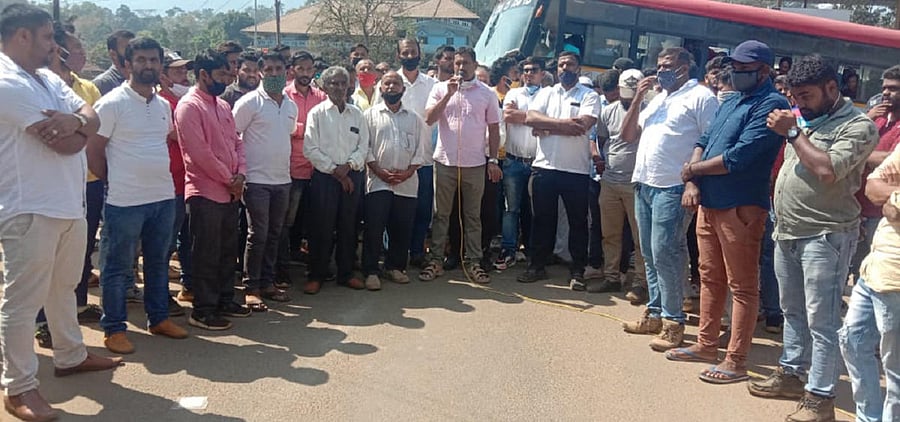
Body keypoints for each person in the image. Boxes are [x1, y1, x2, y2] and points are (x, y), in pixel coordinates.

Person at [0, 5, 122, 420]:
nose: (56, 46)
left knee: (64, 286)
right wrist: (78, 126)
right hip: (28, 206)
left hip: (69, 201)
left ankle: (69, 355)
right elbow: (70, 144)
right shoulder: (5, 81)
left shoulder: (48, 77)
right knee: (22, 299)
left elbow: (94, 114)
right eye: (49, 37)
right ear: (22, 37)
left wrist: (75, 120)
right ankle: (18, 387)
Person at [750, 55, 878, 422]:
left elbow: (826, 170)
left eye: (805, 95)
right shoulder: (805, 118)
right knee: (792, 312)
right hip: (788, 230)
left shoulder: (858, 126)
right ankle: (791, 373)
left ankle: (820, 398)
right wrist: (798, 126)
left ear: (832, 89)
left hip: (826, 236)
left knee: (822, 320)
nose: (798, 103)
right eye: (795, 96)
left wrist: (793, 132)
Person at [663, 40, 789, 384]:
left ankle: (736, 360)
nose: (736, 72)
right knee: (710, 278)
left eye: (744, 68)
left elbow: (738, 158)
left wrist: (693, 171)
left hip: (741, 207)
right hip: (710, 202)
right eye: (734, 66)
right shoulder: (732, 99)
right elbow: (703, 138)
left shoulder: (772, 105)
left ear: (764, 71)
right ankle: (706, 344)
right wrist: (692, 178)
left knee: (743, 286)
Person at [87, 37, 189, 354]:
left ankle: (158, 318)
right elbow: (93, 151)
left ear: (161, 65)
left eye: (154, 60)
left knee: (157, 262)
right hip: (124, 202)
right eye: (141, 60)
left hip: (162, 197)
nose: (148, 65)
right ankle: (113, 328)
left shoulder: (161, 106)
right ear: (128, 64)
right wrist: (116, 179)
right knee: (118, 269)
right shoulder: (112, 103)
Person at [619, 47, 718, 352]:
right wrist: (637, 98)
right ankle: (655, 312)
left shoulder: (701, 97)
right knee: (649, 253)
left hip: (673, 187)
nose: (662, 70)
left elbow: (710, 142)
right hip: (645, 183)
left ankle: (674, 322)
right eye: (659, 65)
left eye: (669, 66)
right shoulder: (658, 99)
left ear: (686, 67)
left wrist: (693, 182)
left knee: (666, 252)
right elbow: (628, 134)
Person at [33, 21, 105, 349]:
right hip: (44, 189)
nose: (82, 54)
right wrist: (81, 127)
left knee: (76, 256)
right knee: (41, 263)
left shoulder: (84, 87)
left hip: (85, 182)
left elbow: (94, 123)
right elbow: (63, 138)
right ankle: (41, 322)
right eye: (76, 49)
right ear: (58, 50)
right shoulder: (32, 85)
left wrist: (77, 125)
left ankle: (76, 307)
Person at [176, 49, 252, 331]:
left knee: (226, 250)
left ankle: (224, 299)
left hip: (231, 191)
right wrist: (229, 178)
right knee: (206, 252)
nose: (226, 78)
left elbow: (238, 143)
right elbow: (199, 154)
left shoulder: (222, 106)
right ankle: (204, 308)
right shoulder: (189, 106)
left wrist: (240, 174)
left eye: (227, 73)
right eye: (220, 74)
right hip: (205, 191)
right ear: (203, 74)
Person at [514, 51, 599, 290]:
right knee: (542, 220)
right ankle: (537, 266)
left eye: (570, 64)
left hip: (576, 171)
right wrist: (564, 126)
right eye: (561, 65)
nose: (565, 68)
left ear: (578, 68)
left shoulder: (589, 95)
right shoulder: (547, 93)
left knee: (578, 223)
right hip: (545, 168)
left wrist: (547, 125)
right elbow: (530, 118)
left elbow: (583, 125)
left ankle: (577, 270)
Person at [421, 46, 502, 284]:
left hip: (475, 163)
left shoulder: (486, 93)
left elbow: (494, 129)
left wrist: (493, 159)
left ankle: (474, 262)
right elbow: (428, 119)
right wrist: (448, 94)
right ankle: (436, 260)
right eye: (457, 63)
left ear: (474, 65)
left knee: (472, 216)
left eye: (465, 63)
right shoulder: (439, 88)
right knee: (441, 215)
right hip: (445, 161)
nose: (460, 67)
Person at [232, 52, 297, 310]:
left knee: (274, 234)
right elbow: (232, 136)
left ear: (286, 72)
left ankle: (268, 283)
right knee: (257, 234)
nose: (273, 73)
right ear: (260, 72)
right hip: (256, 180)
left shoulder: (290, 105)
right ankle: (252, 287)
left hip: (282, 179)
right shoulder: (249, 103)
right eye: (268, 69)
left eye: (278, 69)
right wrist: (240, 172)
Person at [840, 147, 900, 422]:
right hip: (876, 266)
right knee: (852, 340)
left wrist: (893, 199)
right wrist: (895, 197)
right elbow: (873, 186)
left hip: (896, 277)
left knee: (895, 369)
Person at [362, 71, 430, 290]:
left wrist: (408, 172)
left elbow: (420, 150)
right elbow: (365, 147)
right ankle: (371, 270)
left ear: (403, 89)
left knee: (402, 227)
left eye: (396, 83)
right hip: (377, 180)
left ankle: (396, 267)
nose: (391, 87)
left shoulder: (414, 118)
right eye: (387, 83)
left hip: (406, 182)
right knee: (374, 226)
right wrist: (378, 171)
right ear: (381, 89)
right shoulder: (370, 115)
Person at [303, 66, 369, 293]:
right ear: (325, 86)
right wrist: (335, 171)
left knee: (348, 227)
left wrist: (348, 167)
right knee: (321, 227)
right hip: (325, 179)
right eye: (334, 83)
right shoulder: (317, 113)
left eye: (343, 83)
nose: (340, 88)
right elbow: (310, 148)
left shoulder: (357, 113)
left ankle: (346, 273)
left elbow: (364, 146)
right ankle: (317, 275)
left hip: (352, 176)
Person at [593, 69, 648, 303]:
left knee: (640, 239)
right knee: (610, 234)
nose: (627, 97)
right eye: (625, 92)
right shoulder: (608, 111)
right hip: (610, 182)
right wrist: (600, 160)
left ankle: (640, 282)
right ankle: (612, 276)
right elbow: (602, 141)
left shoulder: (648, 111)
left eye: (632, 93)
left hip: (636, 183)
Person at [278, 51, 327, 288]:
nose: (306, 73)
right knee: (286, 222)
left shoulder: (321, 96)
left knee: (314, 220)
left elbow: (326, 127)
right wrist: (307, 129)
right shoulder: (284, 95)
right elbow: (283, 127)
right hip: (291, 167)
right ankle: (282, 269)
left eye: (309, 69)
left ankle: (314, 268)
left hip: (317, 168)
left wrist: (302, 129)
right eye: (301, 68)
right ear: (292, 69)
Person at [849, 65, 900, 281]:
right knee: (855, 272)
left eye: (893, 88)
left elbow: (889, 159)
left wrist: (860, 157)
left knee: (873, 275)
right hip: (855, 208)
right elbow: (848, 144)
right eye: (884, 88)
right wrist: (867, 119)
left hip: (881, 214)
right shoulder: (878, 118)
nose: (885, 93)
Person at [494, 57, 544, 270]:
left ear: (542, 73)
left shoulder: (549, 94)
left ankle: (534, 251)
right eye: (525, 70)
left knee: (535, 210)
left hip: (538, 163)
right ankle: (508, 249)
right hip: (513, 161)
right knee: (510, 209)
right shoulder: (514, 93)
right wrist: (537, 118)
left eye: (533, 70)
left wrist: (523, 116)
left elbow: (517, 116)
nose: (528, 74)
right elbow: (508, 115)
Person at [395, 38, 438, 268]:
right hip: (397, 159)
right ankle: (396, 253)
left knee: (422, 209)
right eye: (405, 52)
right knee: (399, 210)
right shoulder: (391, 82)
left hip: (424, 156)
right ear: (398, 55)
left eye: (413, 52)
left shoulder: (432, 84)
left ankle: (417, 251)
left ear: (420, 54)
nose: (410, 56)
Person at [158, 48, 195, 309]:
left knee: (185, 238)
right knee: (164, 243)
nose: (183, 75)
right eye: (177, 71)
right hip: (168, 183)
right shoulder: (163, 102)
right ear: (163, 75)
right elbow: (176, 135)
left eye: (185, 70)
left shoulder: (185, 100)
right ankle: (160, 295)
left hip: (187, 181)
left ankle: (188, 285)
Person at [92, 29, 134, 95]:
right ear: (113, 54)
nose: (133, 53)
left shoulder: (144, 80)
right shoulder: (102, 84)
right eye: (127, 49)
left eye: (135, 48)